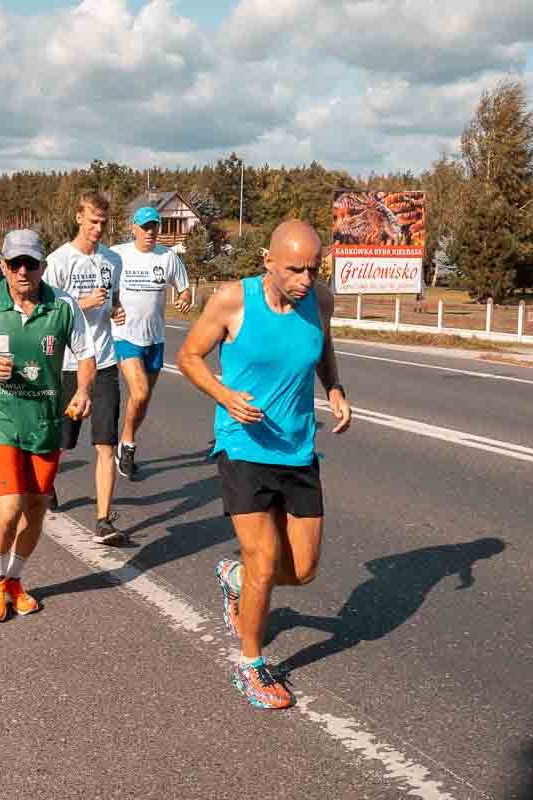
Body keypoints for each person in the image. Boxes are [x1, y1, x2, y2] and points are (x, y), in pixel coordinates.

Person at [176, 219, 352, 709]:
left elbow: (324, 347)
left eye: (314, 269)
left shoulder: (320, 301)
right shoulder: (233, 300)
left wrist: (335, 388)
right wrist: (225, 396)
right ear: (268, 261)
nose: (305, 279)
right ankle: (250, 664)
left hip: (297, 449)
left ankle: (236, 579)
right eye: (295, 269)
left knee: (305, 569)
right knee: (264, 560)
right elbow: (189, 357)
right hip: (243, 447)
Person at [0, 229, 95, 622]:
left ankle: (14, 579)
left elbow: (86, 355)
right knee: (10, 507)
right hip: (1, 417)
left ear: (42, 266)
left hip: (45, 419)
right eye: (15, 264)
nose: (23, 271)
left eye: (30, 263)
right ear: (3, 267)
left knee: (36, 508)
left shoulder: (63, 305)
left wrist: (83, 390)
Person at [42, 191, 128, 544]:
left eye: (103, 222)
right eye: (93, 221)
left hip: (104, 362)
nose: (98, 228)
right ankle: (46, 484)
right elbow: (46, 313)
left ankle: (103, 520)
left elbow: (114, 298)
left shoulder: (112, 260)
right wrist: (81, 303)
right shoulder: (58, 261)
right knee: (61, 442)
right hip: (68, 364)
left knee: (106, 445)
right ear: (79, 217)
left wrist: (116, 309)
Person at [110, 206, 193, 479]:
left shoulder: (167, 257)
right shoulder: (118, 255)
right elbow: (103, 285)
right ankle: (128, 445)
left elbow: (184, 289)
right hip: (125, 335)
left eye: (154, 226)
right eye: (145, 227)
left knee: (143, 399)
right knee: (140, 392)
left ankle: (126, 442)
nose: (150, 232)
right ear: (133, 228)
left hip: (155, 338)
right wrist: (112, 306)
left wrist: (184, 299)